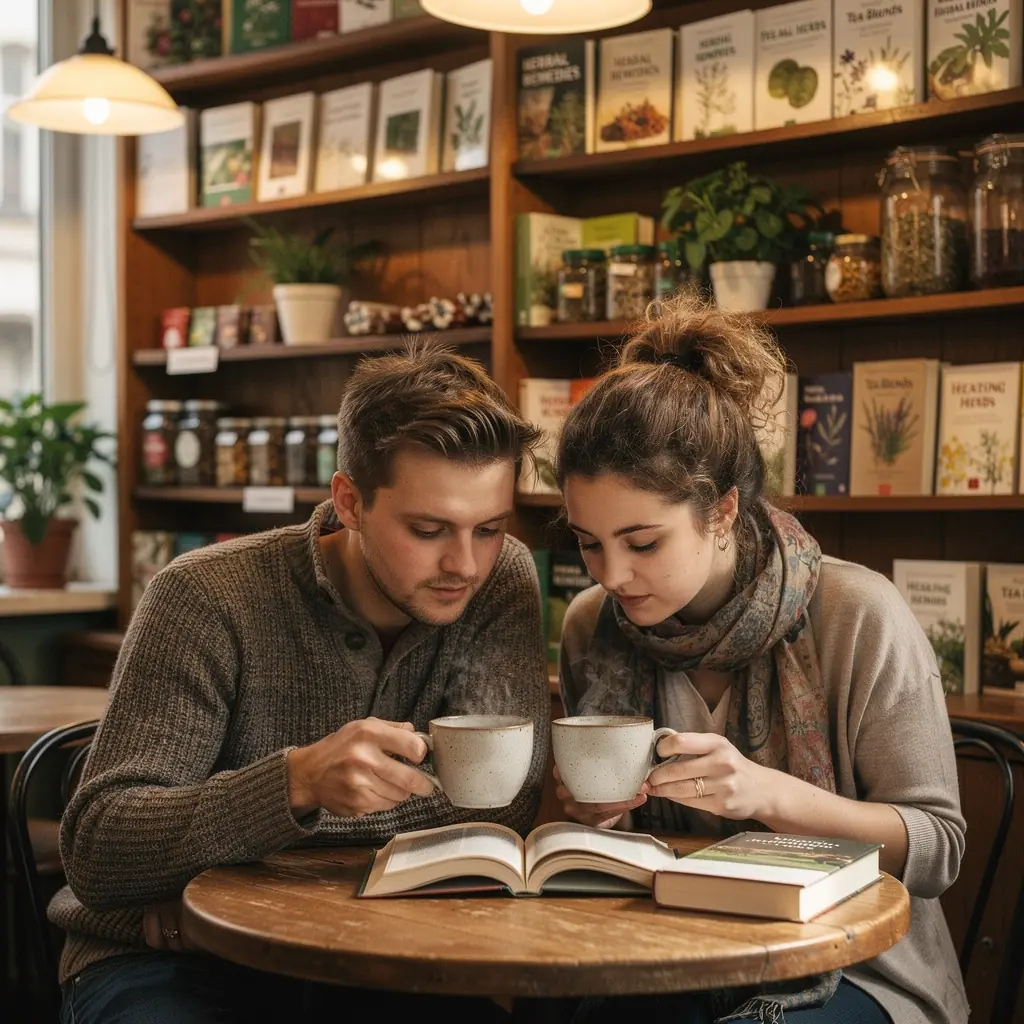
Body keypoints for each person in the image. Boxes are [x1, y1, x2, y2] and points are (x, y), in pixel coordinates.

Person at [52, 343, 550, 1024]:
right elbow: (99, 848)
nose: (464, 564)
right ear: (348, 501)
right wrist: (294, 783)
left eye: (488, 528)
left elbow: (501, 801)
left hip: (386, 951)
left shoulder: (502, 581)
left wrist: (205, 872)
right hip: (176, 960)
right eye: (428, 529)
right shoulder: (203, 596)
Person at [551, 294, 967, 1024]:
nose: (610, 576)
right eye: (589, 542)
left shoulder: (857, 615)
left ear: (721, 511)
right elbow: (605, 855)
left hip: (854, 967)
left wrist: (767, 795)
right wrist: (591, 817)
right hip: (657, 951)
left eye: (642, 542)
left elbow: (937, 848)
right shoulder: (593, 627)